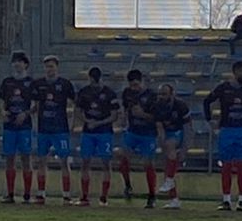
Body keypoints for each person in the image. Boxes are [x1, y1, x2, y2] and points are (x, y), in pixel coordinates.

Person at [204, 60, 242, 213]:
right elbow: (207, 101)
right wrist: (210, 121)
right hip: (227, 130)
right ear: (235, 72)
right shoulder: (223, 88)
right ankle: (226, 199)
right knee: (226, 166)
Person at [31, 56, 76, 205]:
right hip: (44, 128)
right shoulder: (38, 84)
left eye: (51, 66)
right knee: (41, 161)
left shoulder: (65, 84)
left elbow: (74, 104)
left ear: (57, 67)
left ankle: (66, 194)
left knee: (64, 161)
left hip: (60, 129)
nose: (49, 69)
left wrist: (72, 122)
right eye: (47, 67)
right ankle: (41, 193)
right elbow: (36, 105)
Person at [74, 66, 119, 205]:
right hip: (88, 132)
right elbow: (78, 111)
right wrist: (87, 121)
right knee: (85, 162)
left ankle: (104, 197)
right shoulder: (84, 92)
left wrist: (97, 123)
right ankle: (84, 196)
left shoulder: (110, 93)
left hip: (104, 132)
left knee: (106, 163)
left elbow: (114, 116)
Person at [115, 67, 159, 206]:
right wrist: (124, 118)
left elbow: (157, 118)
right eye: (132, 85)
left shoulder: (152, 96)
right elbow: (126, 108)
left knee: (148, 163)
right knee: (122, 155)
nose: (134, 88)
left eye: (136, 85)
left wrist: (143, 115)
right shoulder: (127, 93)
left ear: (142, 82)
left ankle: (152, 194)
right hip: (133, 131)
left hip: (148, 134)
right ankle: (128, 185)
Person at [0, 53, 36, 203]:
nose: (17, 65)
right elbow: (1, 101)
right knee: (9, 158)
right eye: (15, 62)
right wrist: (2, 112)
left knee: (26, 158)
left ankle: (27, 193)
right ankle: (10, 193)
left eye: (20, 62)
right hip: (9, 126)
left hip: (24, 126)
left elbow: (34, 104)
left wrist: (26, 114)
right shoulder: (7, 82)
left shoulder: (31, 83)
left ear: (25, 65)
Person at [153, 82, 190, 207]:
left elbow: (188, 127)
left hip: (178, 132)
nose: (161, 97)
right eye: (160, 94)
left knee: (170, 145)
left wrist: (185, 147)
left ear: (171, 94)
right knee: (168, 166)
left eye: (164, 94)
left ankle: (169, 180)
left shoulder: (180, 105)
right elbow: (159, 127)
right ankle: (174, 199)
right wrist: (162, 141)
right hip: (167, 134)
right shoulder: (157, 106)